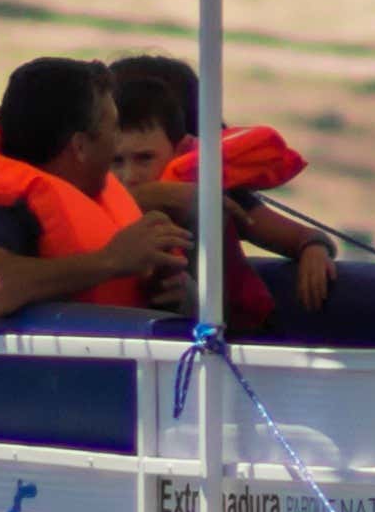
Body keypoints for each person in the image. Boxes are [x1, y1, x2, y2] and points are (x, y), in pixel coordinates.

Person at [0, 57, 188, 320]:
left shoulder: (88, 198)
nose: (117, 144)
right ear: (80, 145)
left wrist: (149, 284)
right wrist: (111, 261)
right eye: (113, 129)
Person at [102, 58, 337, 329]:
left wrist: (315, 249)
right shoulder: (86, 193)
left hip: (218, 338)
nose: (129, 175)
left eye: (144, 158)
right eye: (115, 160)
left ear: (182, 144)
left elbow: (302, 237)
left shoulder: (209, 190)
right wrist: (148, 197)